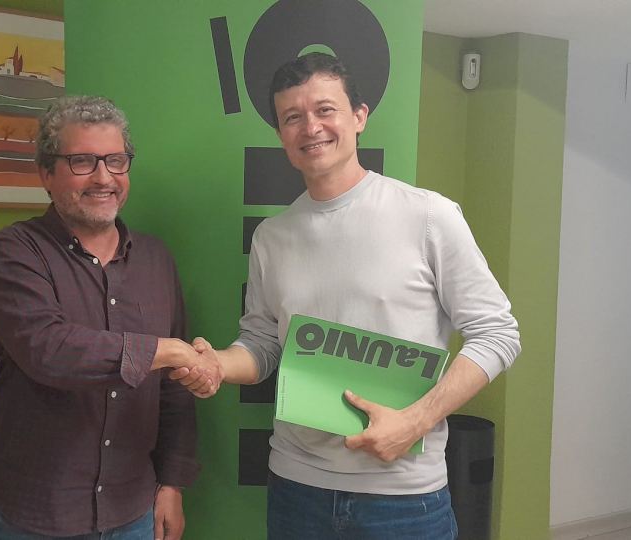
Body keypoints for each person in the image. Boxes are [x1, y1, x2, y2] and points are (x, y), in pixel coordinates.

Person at [184, 53, 521, 539]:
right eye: (292, 117)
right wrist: (217, 364)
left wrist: (415, 422)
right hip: (296, 488)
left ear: (359, 116)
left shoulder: (429, 216)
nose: (310, 128)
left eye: (325, 110)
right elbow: (263, 343)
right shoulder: (272, 237)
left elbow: (497, 333)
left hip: (404, 496)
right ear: (280, 134)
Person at [0, 95, 220, 540]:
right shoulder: (14, 252)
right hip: (39, 513)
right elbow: (49, 350)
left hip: (134, 509)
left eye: (116, 161)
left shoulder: (155, 259)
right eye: (83, 161)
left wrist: (172, 484)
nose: (104, 177)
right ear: (46, 174)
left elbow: (173, 391)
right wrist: (166, 351)